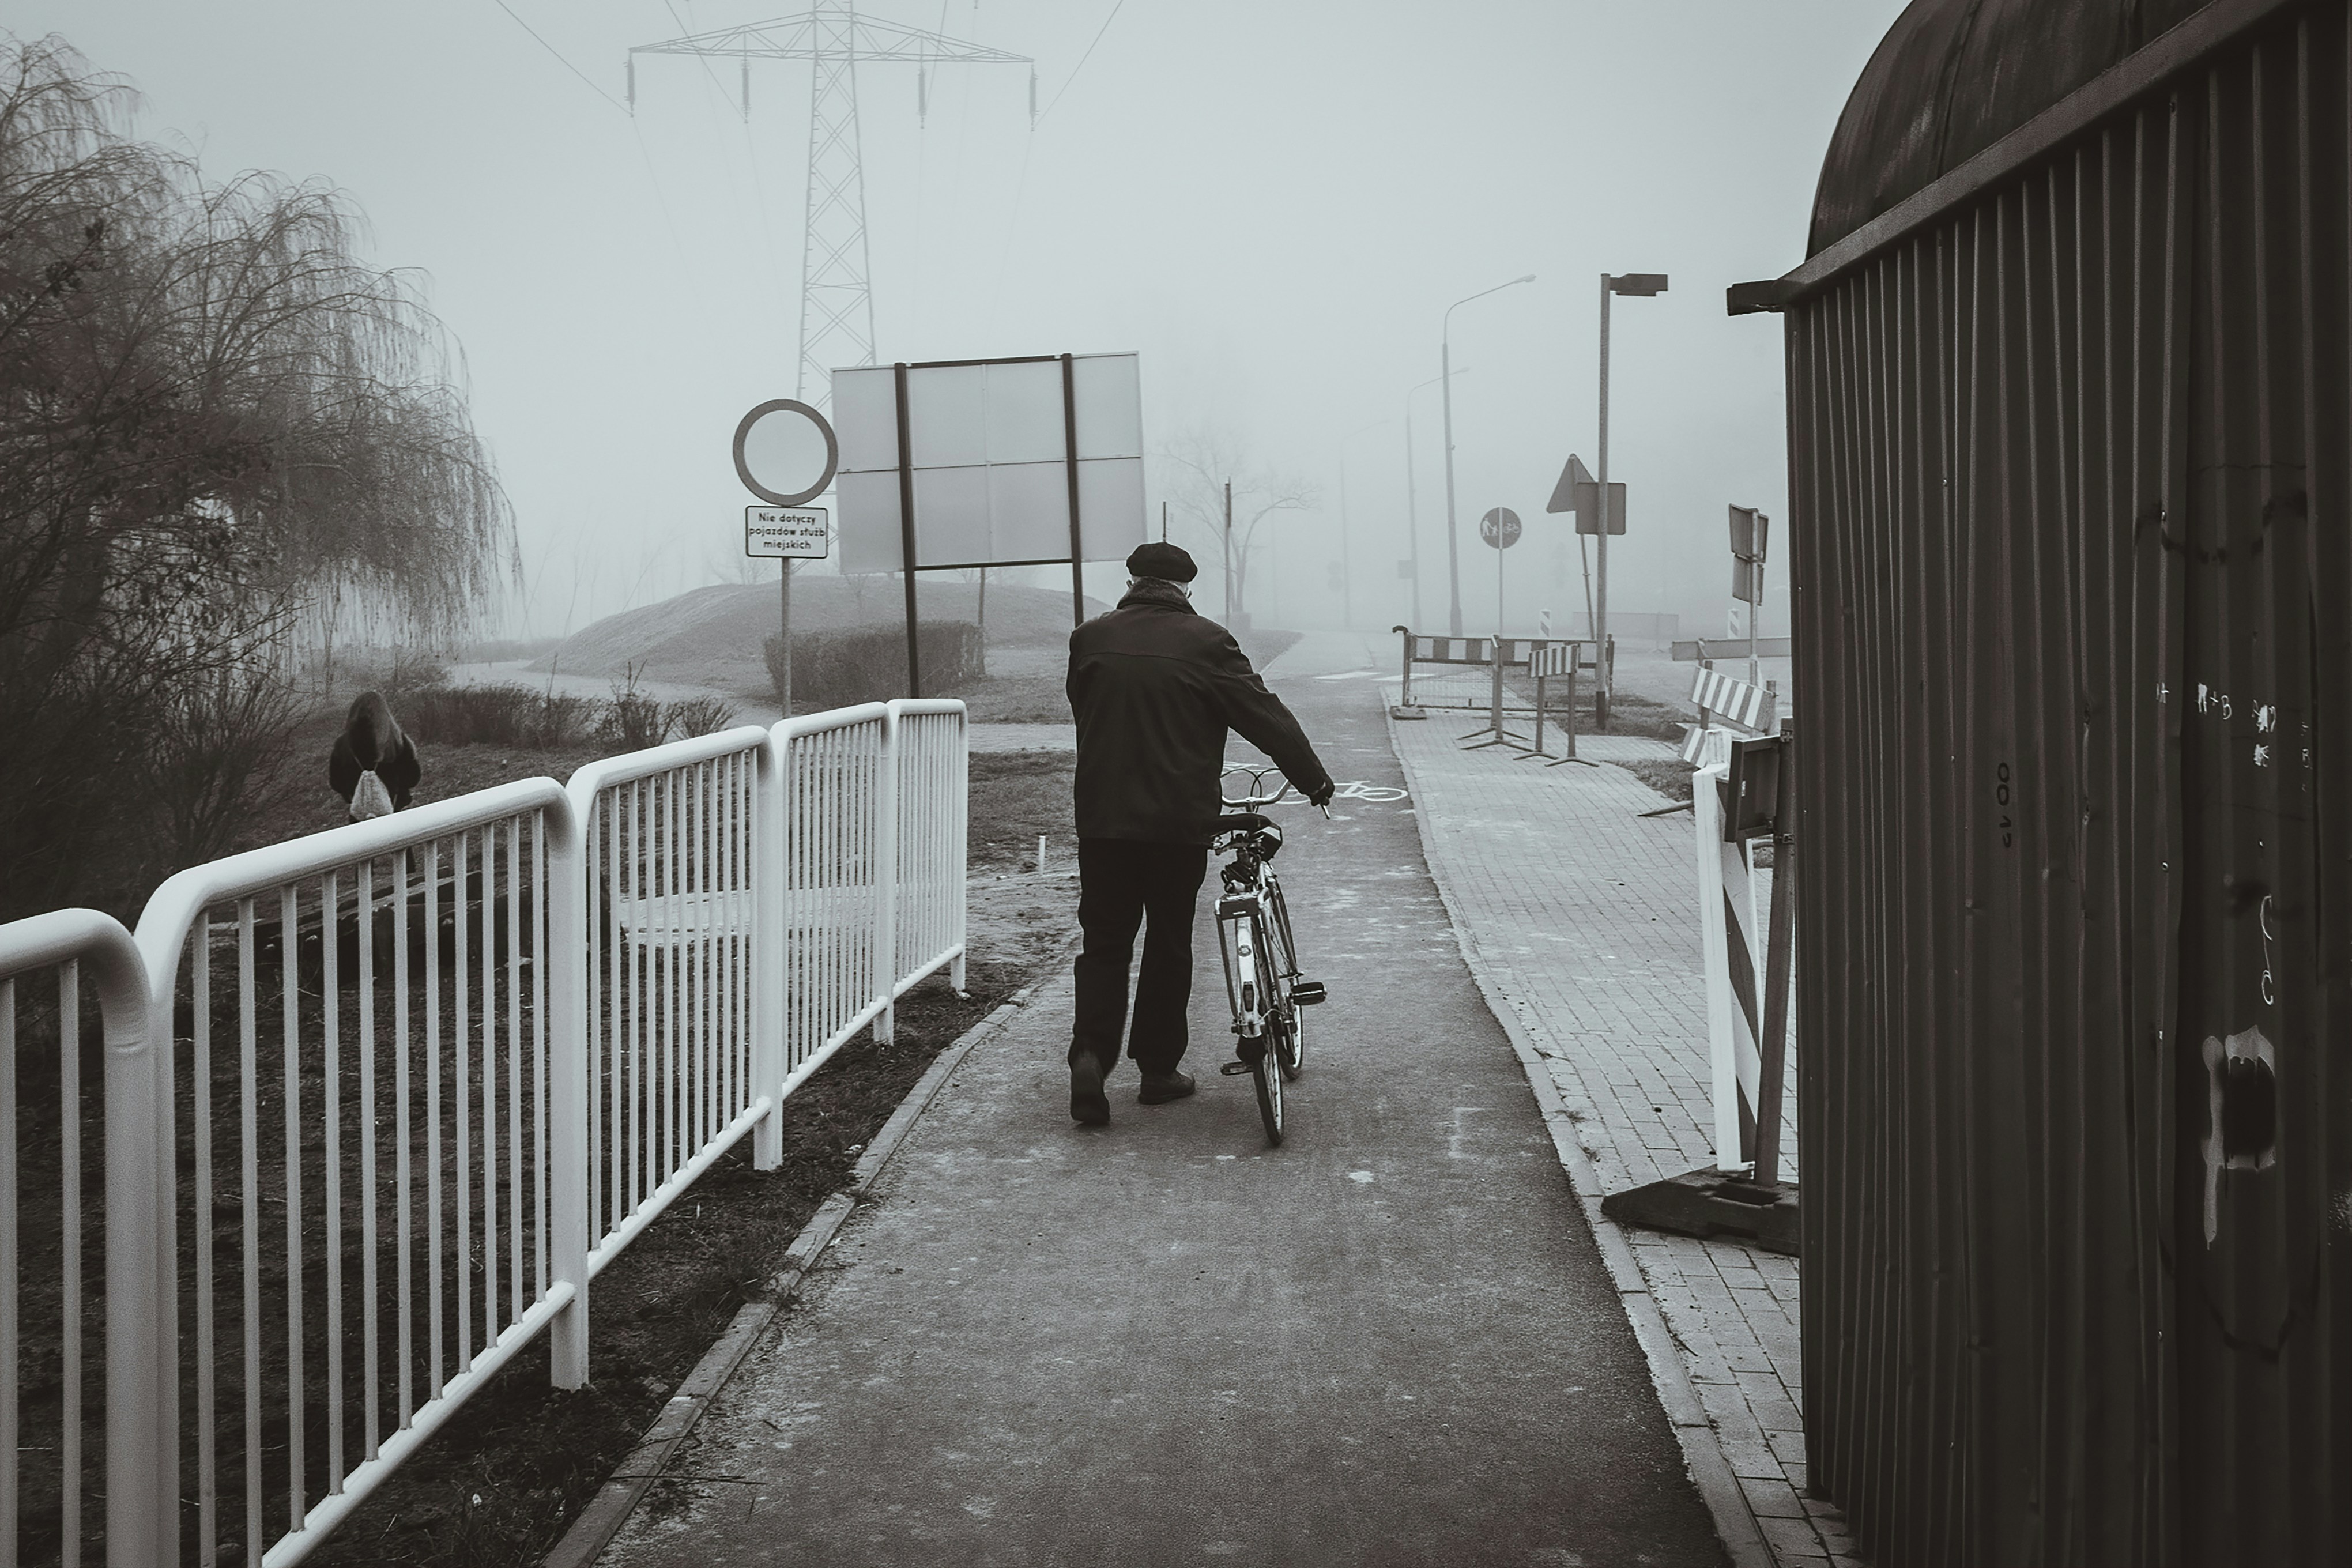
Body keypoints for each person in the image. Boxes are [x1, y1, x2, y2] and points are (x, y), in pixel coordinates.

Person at [1062, 541, 1334, 1125]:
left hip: (1104, 820)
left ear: (1131, 581)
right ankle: (1158, 1070)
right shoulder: (1208, 641)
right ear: (1186, 589)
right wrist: (1312, 779)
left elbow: (1083, 710)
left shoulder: (1089, 637)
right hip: (1177, 822)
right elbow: (1264, 714)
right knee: (1167, 940)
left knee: (1105, 943)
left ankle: (1090, 1056)